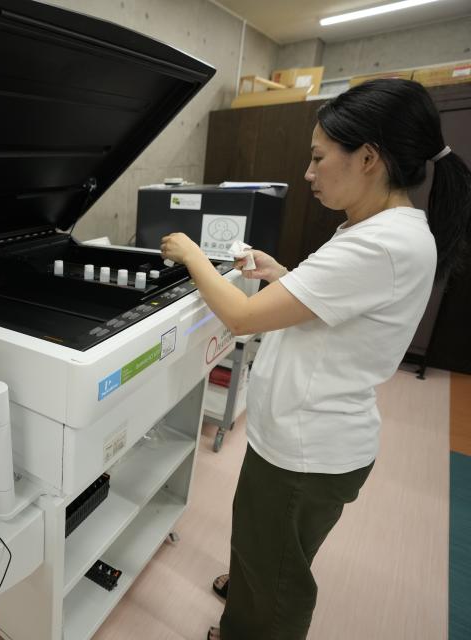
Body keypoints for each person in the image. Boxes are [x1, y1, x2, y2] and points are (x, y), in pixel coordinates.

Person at [159, 78, 471, 640]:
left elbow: (242, 318)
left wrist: (188, 254)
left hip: (308, 449)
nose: (308, 173)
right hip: (302, 436)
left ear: (369, 158)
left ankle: (256, 621)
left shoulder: (380, 243)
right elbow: (336, 301)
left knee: (280, 574)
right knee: (265, 538)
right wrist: (281, 275)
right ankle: (255, 584)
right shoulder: (376, 229)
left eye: (319, 157)